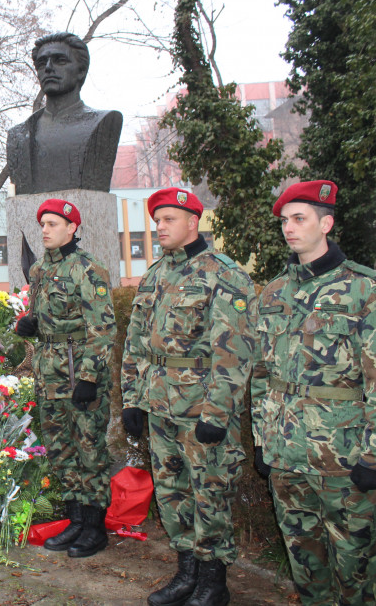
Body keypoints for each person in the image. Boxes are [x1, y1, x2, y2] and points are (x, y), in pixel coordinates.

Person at [121, 188, 255, 606]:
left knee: (209, 493)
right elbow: (136, 343)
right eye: (157, 220)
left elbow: (234, 352)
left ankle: (213, 581)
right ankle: (187, 572)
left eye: (168, 219)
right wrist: (132, 399)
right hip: (160, 406)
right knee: (172, 491)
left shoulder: (223, 273)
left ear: (193, 222)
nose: (159, 227)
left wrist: (216, 413)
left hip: (201, 408)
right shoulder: (157, 274)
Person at [250, 180, 376, 606]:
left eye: (299, 218)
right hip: (286, 454)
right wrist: (261, 440)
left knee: (358, 567)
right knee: (305, 563)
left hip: (343, 458)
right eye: (285, 221)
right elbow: (262, 374)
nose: (289, 228)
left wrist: (374, 454)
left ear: (327, 223)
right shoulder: (273, 293)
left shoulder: (365, 290)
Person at [15, 199, 116, 558]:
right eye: (42, 223)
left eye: (53, 223)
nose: (44, 229)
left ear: (72, 228)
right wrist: (28, 325)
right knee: (61, 450)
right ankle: (75, 520)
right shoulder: (40, 269)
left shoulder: (88, 269)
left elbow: (102, 329)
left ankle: (94, 526)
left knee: (89, 449)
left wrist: (89, 378)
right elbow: (40, 316)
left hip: (78, 373)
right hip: (49, 373)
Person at [7, 33, 122, 194]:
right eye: (41, 63)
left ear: (81, 71)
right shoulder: (18, 136)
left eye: (60, 60)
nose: (48, 68)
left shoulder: (103, 122)